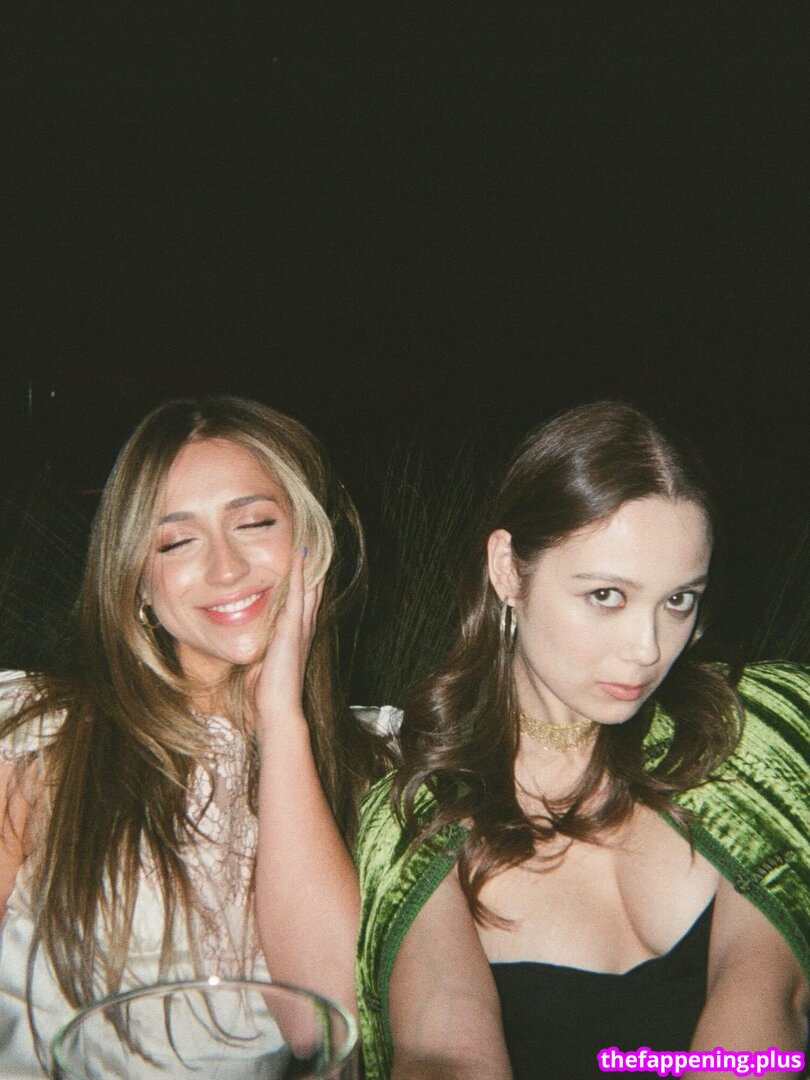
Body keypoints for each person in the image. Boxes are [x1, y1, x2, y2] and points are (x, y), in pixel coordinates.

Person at [355, 401, 809, 1079]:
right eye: (606, 596)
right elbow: (444, 1049)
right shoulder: (419, 812)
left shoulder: (751, 733)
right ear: (508, 569)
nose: (648, 648)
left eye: (678, 600)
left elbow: (767, 995)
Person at [0, 396, 390, 1077]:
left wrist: (281, 720)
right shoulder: (42, 734)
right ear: (137, 582)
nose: (226, 568)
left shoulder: (374, 762)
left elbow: (321, 1025)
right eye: (176, 542)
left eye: (255, 523)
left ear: (311, 540)